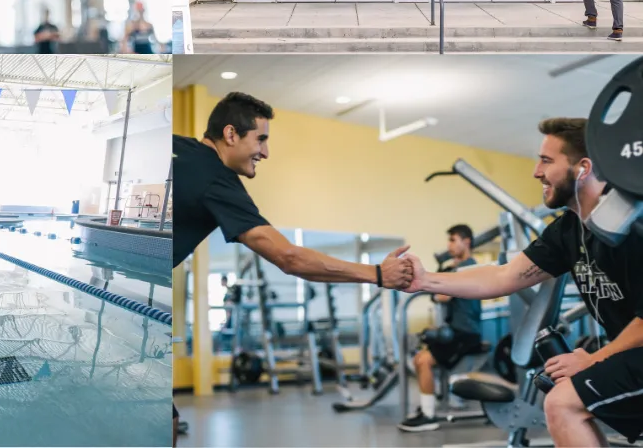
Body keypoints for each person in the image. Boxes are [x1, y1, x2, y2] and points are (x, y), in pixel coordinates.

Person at [172, 92, 414, 446]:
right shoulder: (218, 181)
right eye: (261, 139)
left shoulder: (182, 147)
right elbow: (290, 258)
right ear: (230, 135)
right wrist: (377, 274)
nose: (266, 152)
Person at [405, 118, 643, 448]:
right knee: (563, 398)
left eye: (546, 160)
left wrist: (593, 359)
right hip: (633, 357)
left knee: (563, 404)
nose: (536, 171)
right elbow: (503, 276)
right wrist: (426, 280)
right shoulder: (567, 230)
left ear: (583, 167)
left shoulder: (634, 223)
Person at [398, 224, 482, 432]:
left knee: (423, 360)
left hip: (467, 333)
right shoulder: (455, 268)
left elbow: (443, 295)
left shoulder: (468, 267)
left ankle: (429, 415)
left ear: (467, 241)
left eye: (453, 240)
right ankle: (428, 409)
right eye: (449, 240)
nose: (449, 245)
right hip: (457, 331)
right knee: (421, 354)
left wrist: (434, 291)